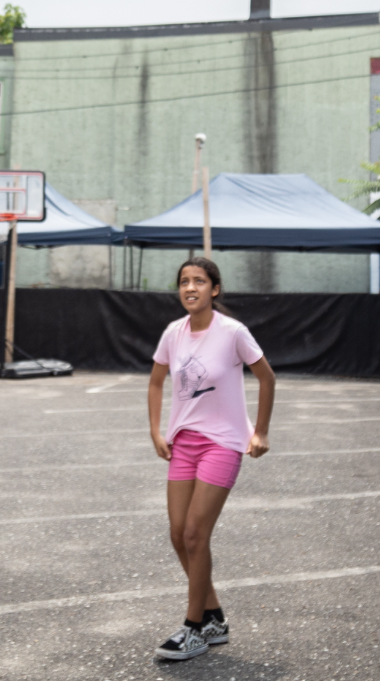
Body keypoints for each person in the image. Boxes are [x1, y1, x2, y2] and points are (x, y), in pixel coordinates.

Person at [145, 255, 275, 662]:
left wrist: (262, 431)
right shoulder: (172, 333)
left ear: (214, 289)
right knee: (178, 534)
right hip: (183, 443)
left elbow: (267, 378)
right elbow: (155, 382)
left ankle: (193, 628)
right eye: (184, 281)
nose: (190, 288)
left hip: (223, 443)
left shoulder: (233, 332)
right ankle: (214, 616)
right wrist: (155, 430)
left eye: (199, 281)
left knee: (196, 535)